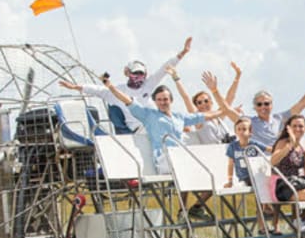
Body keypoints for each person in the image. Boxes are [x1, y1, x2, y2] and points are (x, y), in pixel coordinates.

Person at [101, 70, 233, 172]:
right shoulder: (148, 115)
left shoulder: (179, 117)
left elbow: (205, 116)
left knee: (205, 168)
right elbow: (127, 100)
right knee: (194, 165)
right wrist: (111, 86)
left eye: (165, 99)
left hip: (181, 157)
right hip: (165, 159)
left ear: (171, 100)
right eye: (159, 100)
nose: (163, 102)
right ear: (155, 102)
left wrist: (225, 111)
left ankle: (187, 206)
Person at [59, 37, 193, 132]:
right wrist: (74, 87)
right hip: (138, 129)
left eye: (141, 74)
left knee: (181, 127)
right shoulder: (117, 90)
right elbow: (94, 89)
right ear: (127, 73)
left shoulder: (148, 85)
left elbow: (164, 69)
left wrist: (183, 52)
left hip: (155, 124)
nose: (138, 77)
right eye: (135, 73)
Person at [248, 65, 305, 152]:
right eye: (259, 104)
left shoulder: (280, 118)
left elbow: (302, 104)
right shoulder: (249, 122)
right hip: (260, 160)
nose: (263, 107)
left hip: (280, 160)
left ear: (271, 105)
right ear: (255, 107)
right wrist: (237, 78)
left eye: (266, 103)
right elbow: (232, 110)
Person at [170, 61, 242, 145]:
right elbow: (186, 97)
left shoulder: (218, 115)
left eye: (206, 101)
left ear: (211, 102)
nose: (203, 104)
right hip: (211, 153)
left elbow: (230, 97)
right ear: (196, 106)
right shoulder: (198, 120)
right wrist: (176, 78)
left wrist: (237, 76)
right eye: (199, 103)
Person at [225, 118, 261, 188]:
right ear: (235, 132)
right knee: (246, 183)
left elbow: (270, 150)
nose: (241, 132)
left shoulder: (254, 144)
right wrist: (230, 181)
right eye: (239, 129)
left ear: (250, 132)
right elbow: (230, 165)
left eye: (244, 129)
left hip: (256, 176)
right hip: (243, 179)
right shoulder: (232, 146)